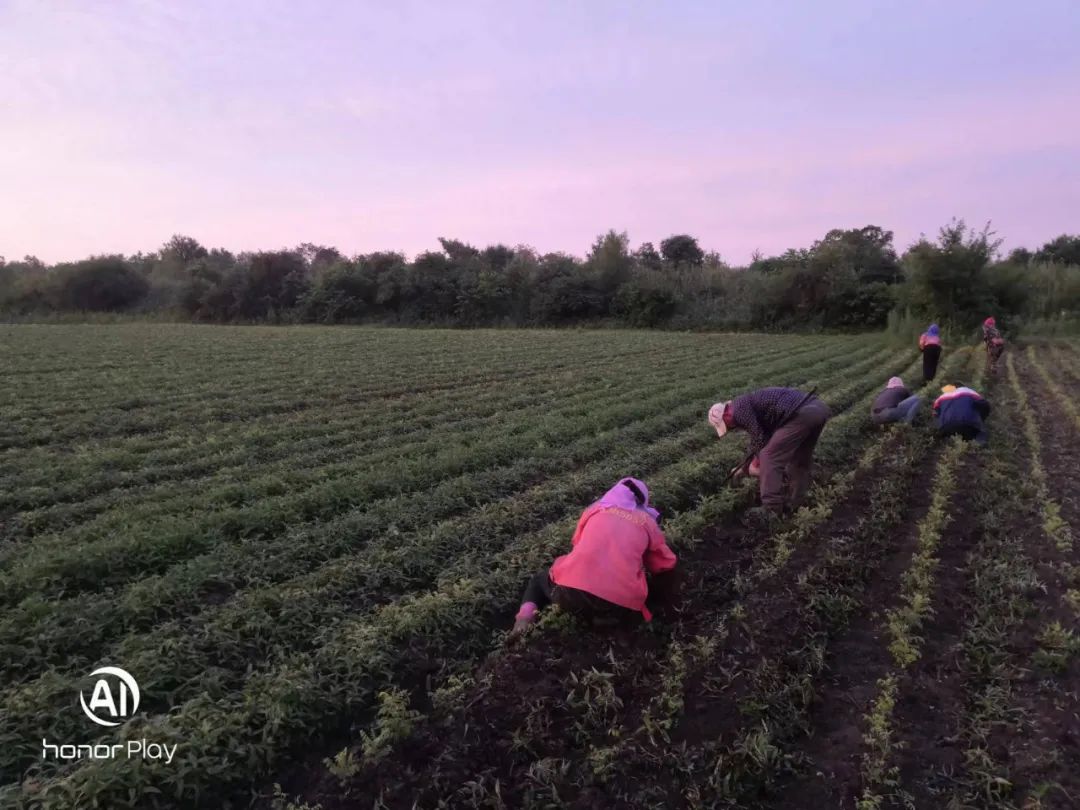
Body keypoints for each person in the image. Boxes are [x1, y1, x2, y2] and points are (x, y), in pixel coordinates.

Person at [511, 477, 677, 634]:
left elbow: (577, 543)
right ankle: (607, 616)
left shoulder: (594, 510)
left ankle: (524, 620)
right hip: (621, 603)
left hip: (572, 593)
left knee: (538, 581)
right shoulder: (647, 522)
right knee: (644, 583)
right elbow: (664, 564)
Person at [708, 388, 831, 515]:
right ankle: (796, 502)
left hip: (801, 413)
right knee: (798, 460)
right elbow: (763, 437)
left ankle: (771, 509)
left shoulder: (738, 410)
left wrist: (752, 465)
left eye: (725, 424)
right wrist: (746, 465)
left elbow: (759, 440)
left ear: (726, 415)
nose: (730, 428)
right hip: (817, 409)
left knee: (768, 456)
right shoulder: (746, 404)